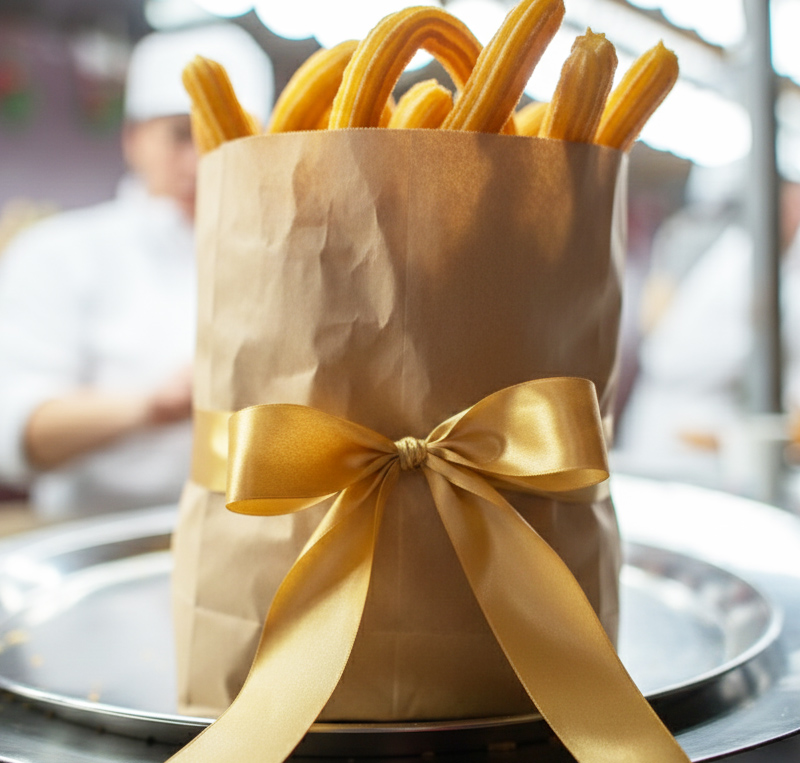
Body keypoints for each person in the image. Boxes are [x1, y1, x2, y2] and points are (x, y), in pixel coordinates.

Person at [0, 23, 273, 518]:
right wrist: (155, 406)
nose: (203, 159)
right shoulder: (58, 252)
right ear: (132, 139)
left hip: (252, 537)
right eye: (180, 134)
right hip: (96, 535)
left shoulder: (285, 258)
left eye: (231, 137)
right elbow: (16, 438)